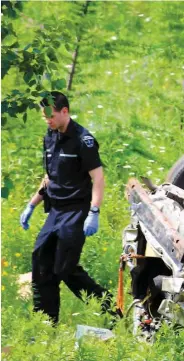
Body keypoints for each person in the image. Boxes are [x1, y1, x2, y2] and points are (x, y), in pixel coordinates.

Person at [19, 91, 116, 325]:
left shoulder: (84, 140)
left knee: (65, 267)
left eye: (51, 116)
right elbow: (51, 176)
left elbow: (98, 178)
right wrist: (32, 204)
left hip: (76, 210)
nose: (48, 121)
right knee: (41, 259)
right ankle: (45, 322)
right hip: (55, 210)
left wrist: (94, 212)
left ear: (65, 112)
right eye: (44, 117)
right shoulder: (50, 136)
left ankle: (111, 309)